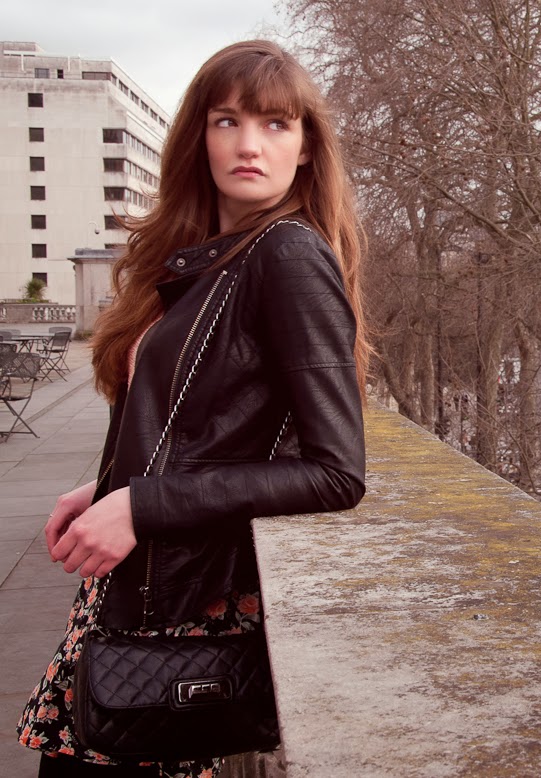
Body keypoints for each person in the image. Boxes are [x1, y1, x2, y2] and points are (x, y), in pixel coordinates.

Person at [15, 40, 369, 778]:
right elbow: (205, 422)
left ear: (306, 147)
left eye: (275, 124)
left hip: (180, 610)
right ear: (198, 137)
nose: (249, 144)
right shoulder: (218, 254)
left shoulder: (287, 255)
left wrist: (142, 504)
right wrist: (110, 484)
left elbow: (336, 472)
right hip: (140, 591)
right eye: (226, 120)